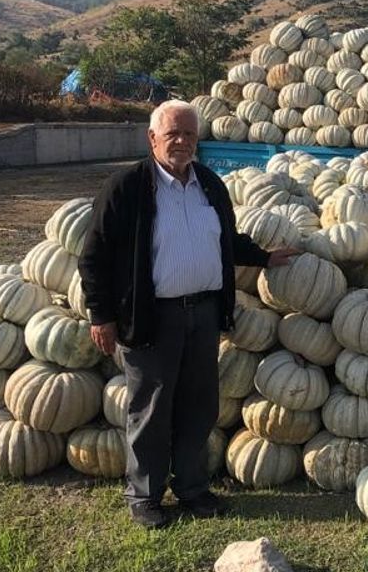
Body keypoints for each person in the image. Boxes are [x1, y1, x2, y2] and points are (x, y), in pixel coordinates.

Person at [78, 100, 297, 529]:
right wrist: (101, 315)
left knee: (199, 406)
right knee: (151, 408)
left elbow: (224, 240)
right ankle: (145, 496)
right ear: (152, 138)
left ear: (198, 140)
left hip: (203, 313)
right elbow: (94, 255)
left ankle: (192, 487)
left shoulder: (210, 185)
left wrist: (264, 258)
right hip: (151, 316)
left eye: (189, 135)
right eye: (173, 134)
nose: (181, 142)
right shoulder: (126, 187)